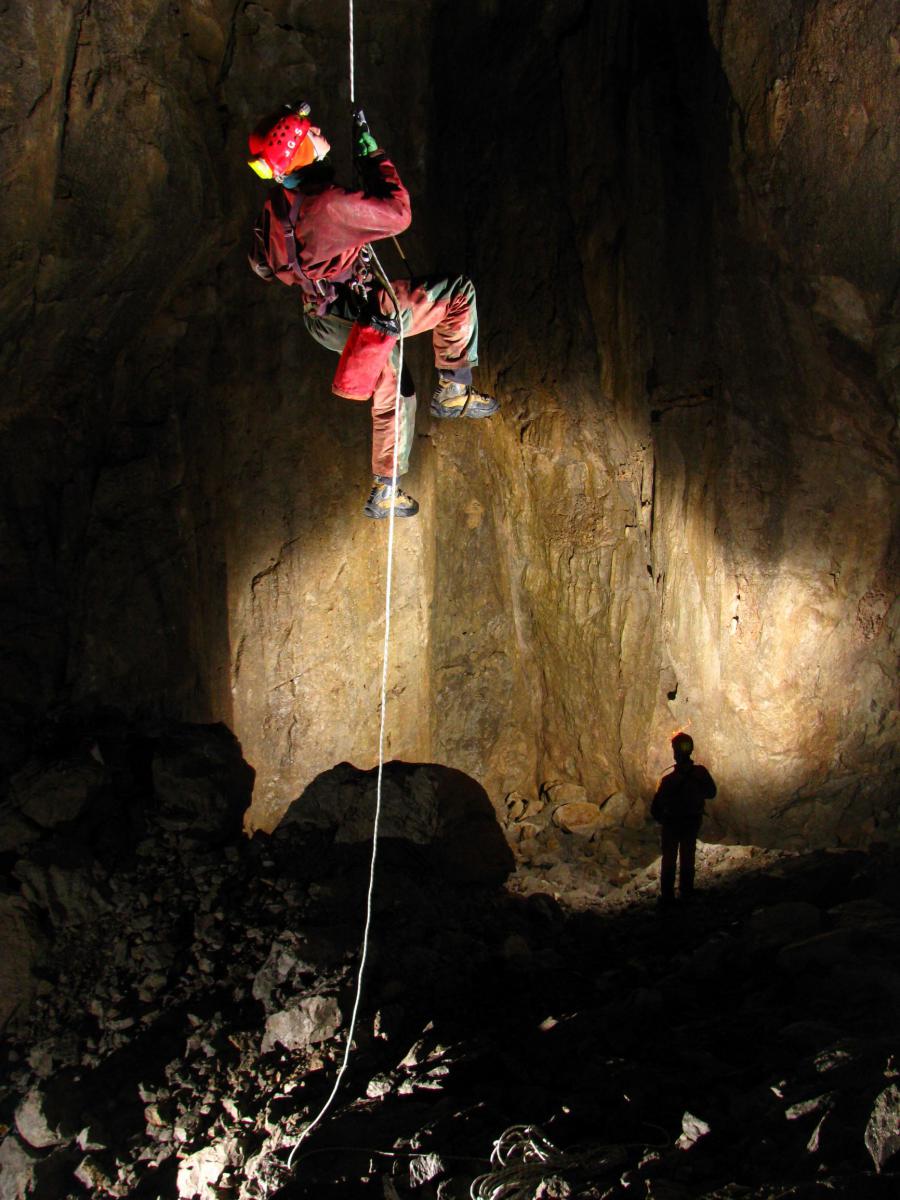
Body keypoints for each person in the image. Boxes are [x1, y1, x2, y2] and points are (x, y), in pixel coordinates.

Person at [247, 103, 498, 519]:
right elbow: (398, 215)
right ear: (300, 149)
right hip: (359, 309)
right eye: (310, 131)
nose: (318, 131)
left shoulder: (278, 205)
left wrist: (315, 260)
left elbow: (261, 264)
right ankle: (454, 388)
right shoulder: (325, 205)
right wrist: (371, 158)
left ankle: (387, 488)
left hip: (321, 316)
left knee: (394, 379)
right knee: (457, 293)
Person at [651, 732, 717, 905]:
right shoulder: (700, 773)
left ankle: (667, 896)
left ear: (675, 752)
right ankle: (686, 891)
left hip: (672, 824)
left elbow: (655, 808)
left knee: (669, 859)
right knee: (688, 856)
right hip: (691, 821)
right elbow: (712, 793)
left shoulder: (668, 780)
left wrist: (662, 818)